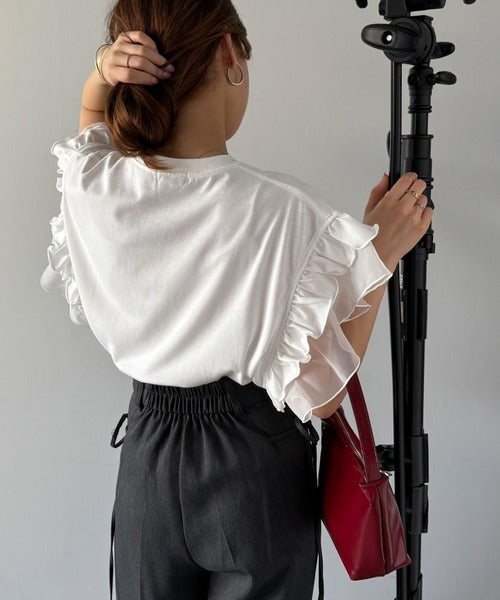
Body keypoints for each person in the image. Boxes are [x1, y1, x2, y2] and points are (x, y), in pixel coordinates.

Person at [40, 1, 433, 599]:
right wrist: (378, 255)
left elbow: (90, 126)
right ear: (229, 53)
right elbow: (323, 397)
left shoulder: (98, 183)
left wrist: (101, 72)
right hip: (252, 464)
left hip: (148, 454)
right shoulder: (286, 212)